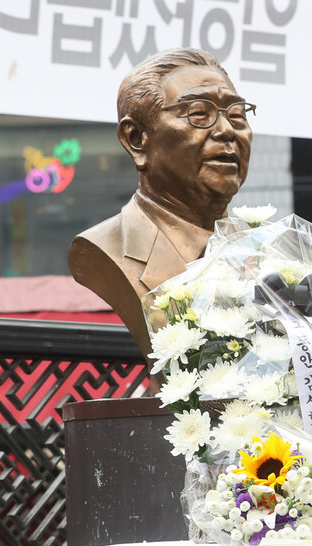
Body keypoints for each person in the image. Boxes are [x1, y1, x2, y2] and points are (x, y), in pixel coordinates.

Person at [68, 48, 254, 361]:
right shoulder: (106, 248)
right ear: (137, 139)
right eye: (199, 113)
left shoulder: (265, 255)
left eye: (236, 115)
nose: (226, 130)